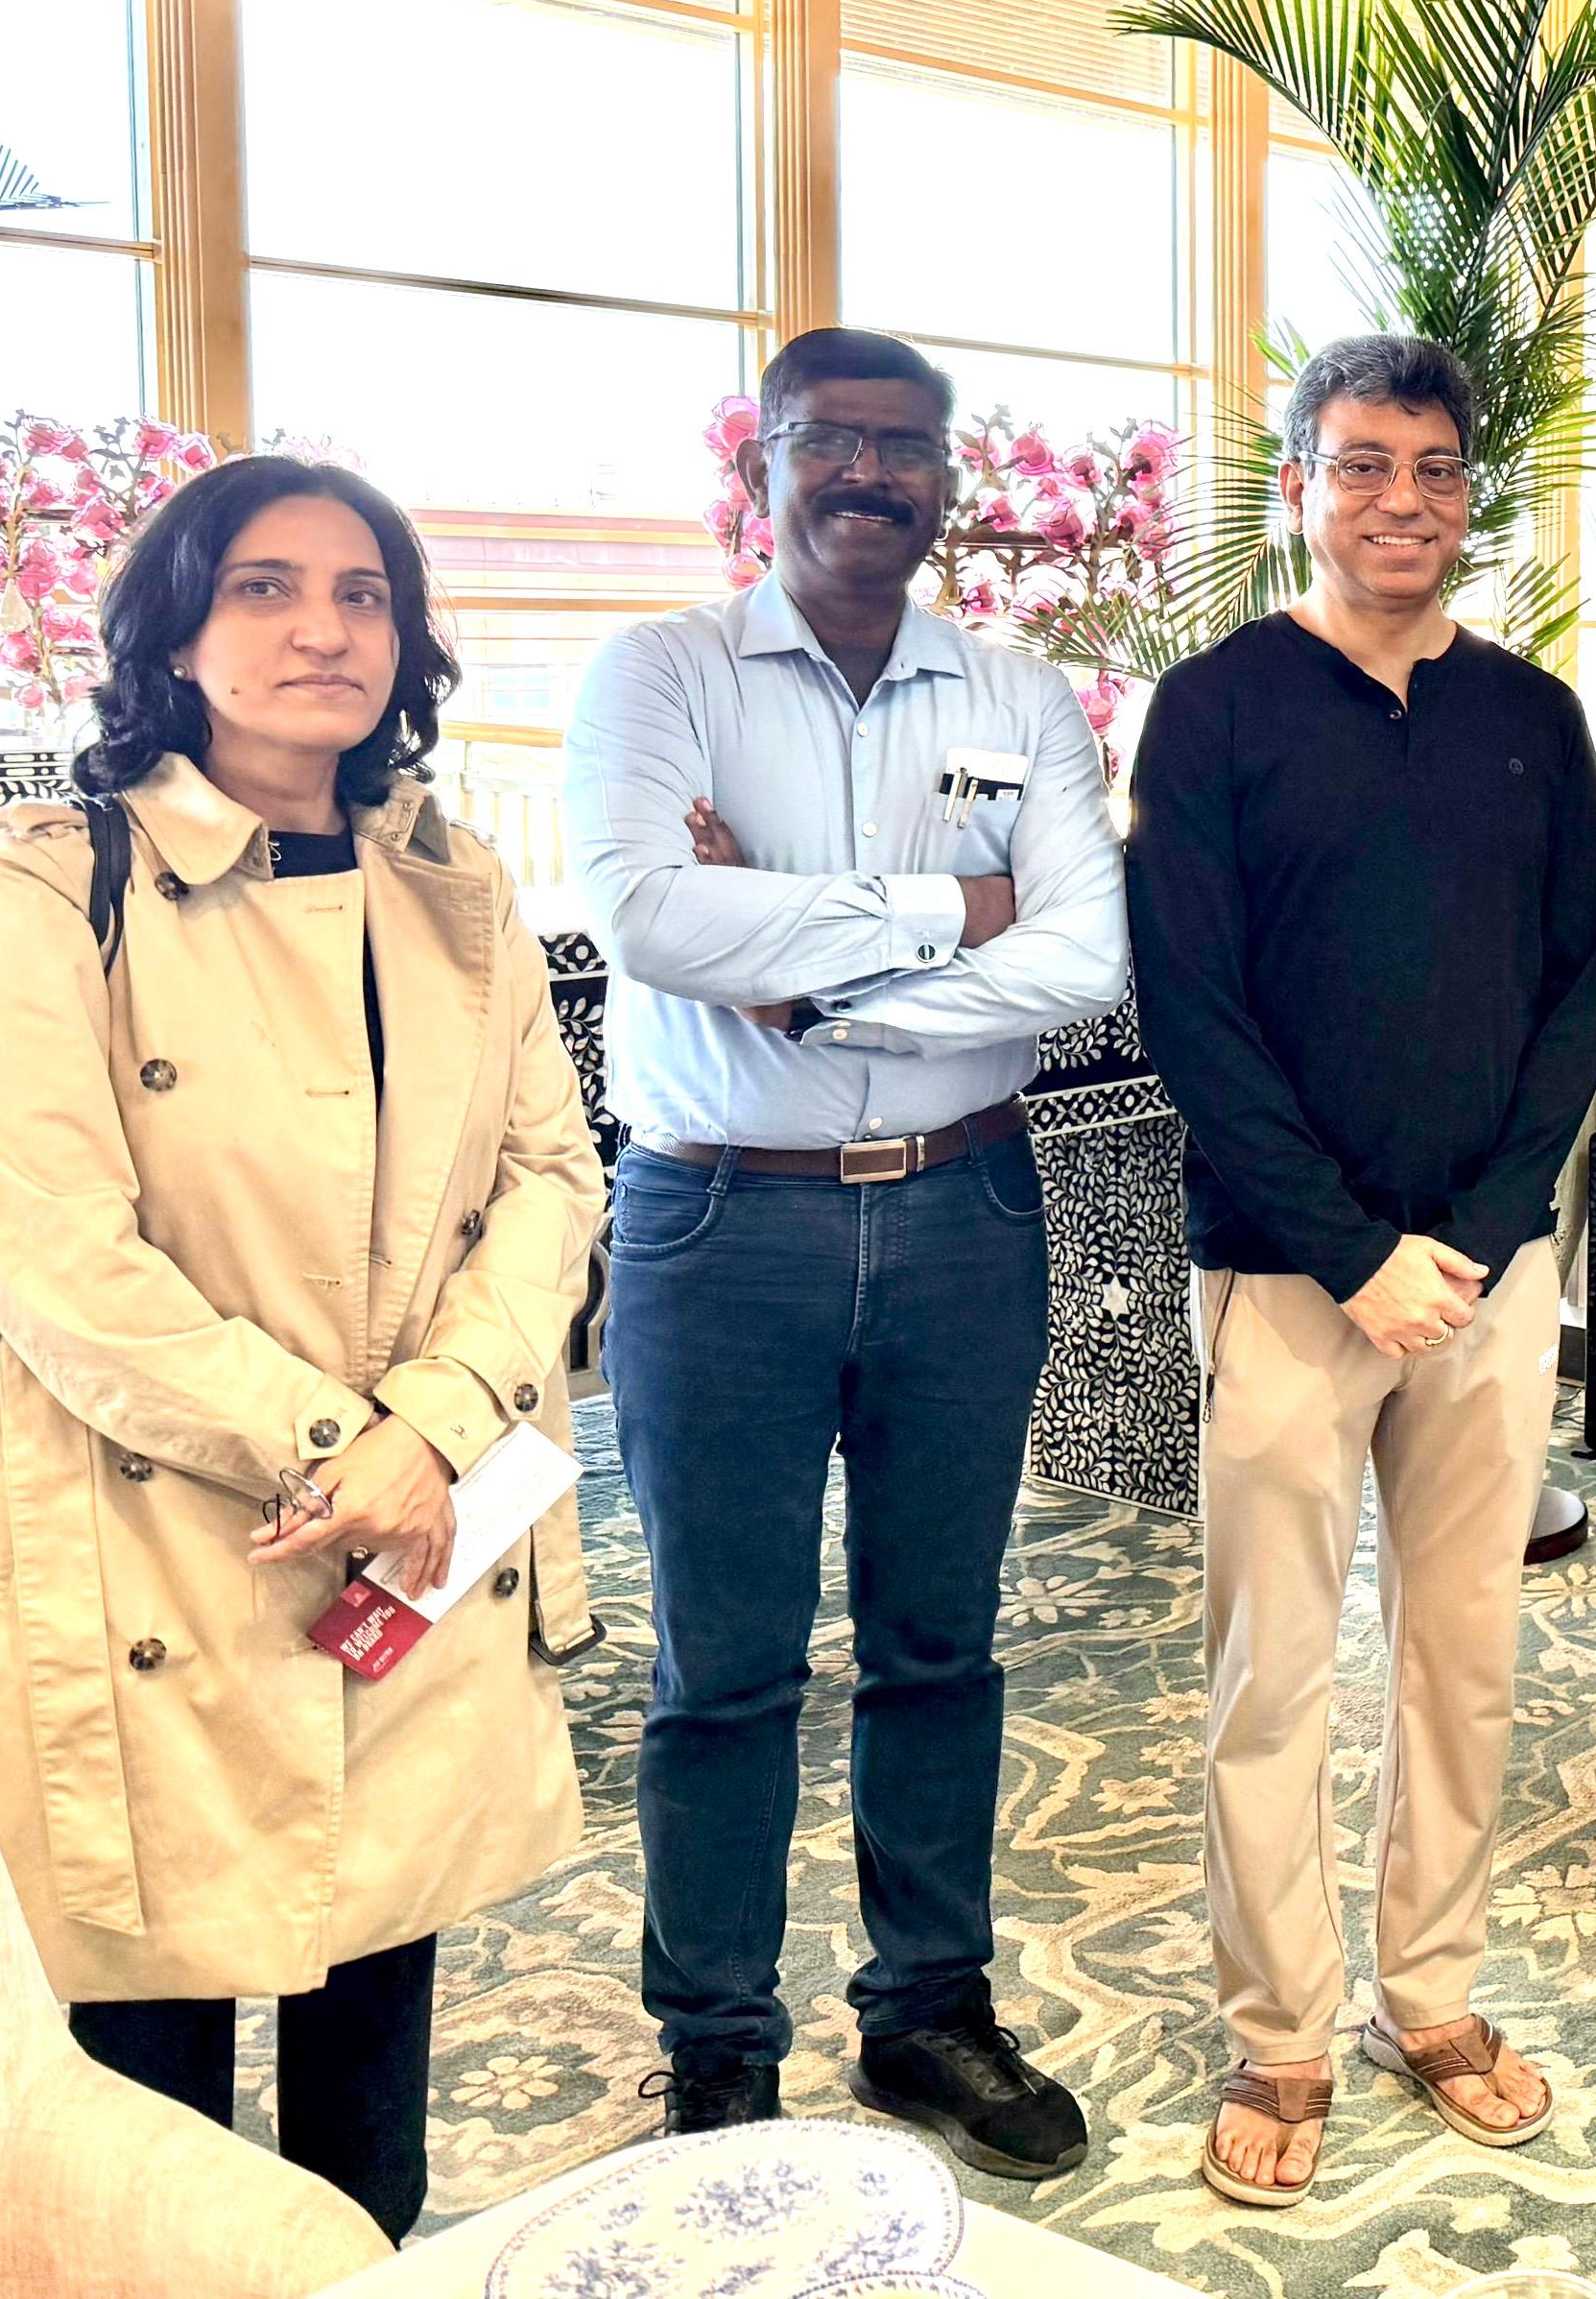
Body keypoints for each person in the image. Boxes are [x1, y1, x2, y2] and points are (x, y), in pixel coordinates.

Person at [0, 456, 605, 2239]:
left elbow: (550, 1174)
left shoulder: (454, 884)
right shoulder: (54, 878)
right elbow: (45, 1238)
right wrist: (337, 1447)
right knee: (148, 2103)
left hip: (417, 1520)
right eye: (265, 588)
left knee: (376, 2045)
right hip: (154, 1523)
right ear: (174, 633)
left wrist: (432, 1429)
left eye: (364, 594)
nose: (324, 629)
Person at [563, 327, 1124, 2174]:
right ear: (764, 465)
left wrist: (806, 981)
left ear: (949, 479)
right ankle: (717, 2039)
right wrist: (956, 913)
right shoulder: (659, 675)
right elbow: (652, 919)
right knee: (723, 1666)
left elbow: (1085, 955)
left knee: (938, 1645)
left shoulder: (1018, 695)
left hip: (968, 1206)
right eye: (831, 441)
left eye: (906, 447)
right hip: (721, 1220)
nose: (870, 475)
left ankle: (927, 2013)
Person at [1126, 333, 1596, 2205]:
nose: (1397, 500)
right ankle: (1278, 2027)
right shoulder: (1214, 709)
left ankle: (1433, 1995)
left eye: (1429, 467)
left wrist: (1476, 1238)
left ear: (1465, 493)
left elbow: (1577, 992)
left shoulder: (1530, 717)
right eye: (1359, 464)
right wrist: (1349, 1253)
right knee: (1270, 1672)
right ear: (1299, 488)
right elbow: (1191, 1007)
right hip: (1283, 1276)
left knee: (1462, 1658)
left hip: (1487, 1282)